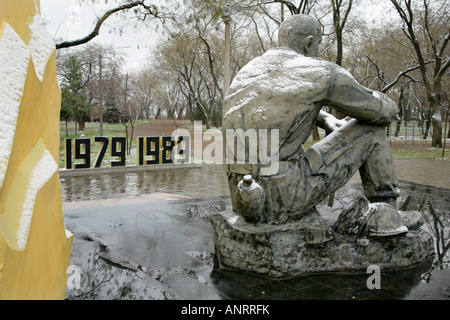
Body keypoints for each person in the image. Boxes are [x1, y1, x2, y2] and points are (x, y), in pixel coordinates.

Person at [223, 14, 403, 227]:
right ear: (309, 43)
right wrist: (386, 102)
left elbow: (277, 108)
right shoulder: (320, 71)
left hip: (241, 192)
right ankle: (388, 216)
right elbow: (382, 111)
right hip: (283, 196)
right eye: (317, 45)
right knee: (370, 131)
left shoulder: (249, 70)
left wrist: (326, 119)